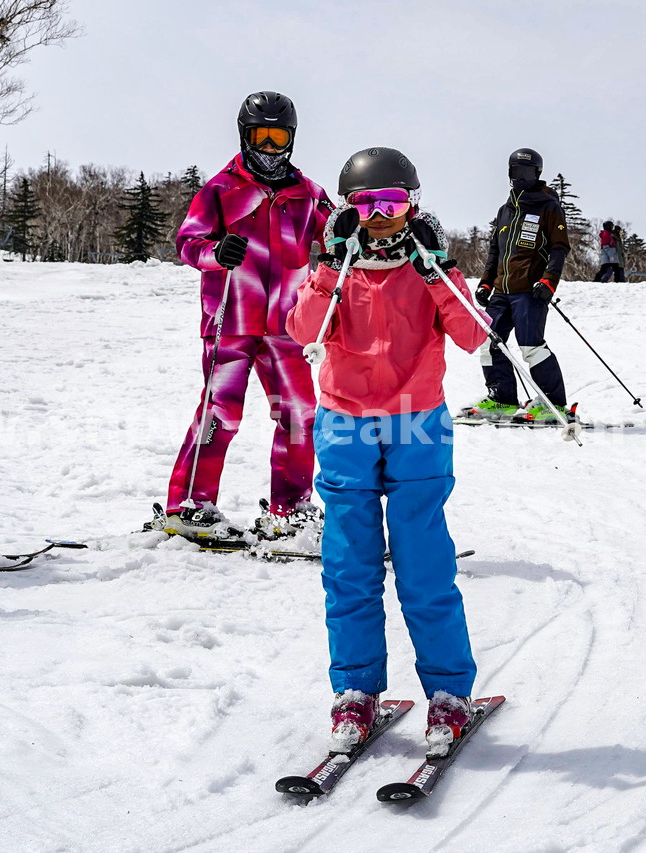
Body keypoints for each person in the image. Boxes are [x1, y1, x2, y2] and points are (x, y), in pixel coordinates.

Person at [286, 147, 488, 756]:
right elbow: (302, 332)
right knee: (349, 566)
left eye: (393, 202)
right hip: (345, 424)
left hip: (417, 423)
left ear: (412, 206)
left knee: (424, 563)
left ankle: (449, 694)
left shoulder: (429, 267)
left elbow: (474, 334)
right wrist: (327, 267)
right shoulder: (335, 269)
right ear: (348, 209)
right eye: (366, 204)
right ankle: (356, 690)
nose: (380, 216)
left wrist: (438, 272)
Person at [148, 91, 333, 540]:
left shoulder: (309, 195)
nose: (269, 147)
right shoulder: (221, 189)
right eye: (260, 136)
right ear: (244, 136)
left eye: (278, 136)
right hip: (229, 320)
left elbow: (339, 236)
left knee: (300, 413)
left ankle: (292, 510)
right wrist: (216, 252)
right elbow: (188, 244)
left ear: (291, 138)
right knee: (220, 413)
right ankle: (189, 504)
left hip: (287, 325)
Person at [461, 147, 572, 424]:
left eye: (525, 172)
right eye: (514, 172)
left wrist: (549, 281)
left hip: (530, 290)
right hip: (502, 291)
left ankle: (553, 403)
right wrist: (486, 283)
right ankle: (502, 399)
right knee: (489, 343)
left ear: (537, 174)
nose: (519, 178)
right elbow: (495, 252)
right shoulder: (505, 211)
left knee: (531, 346)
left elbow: (560, 248)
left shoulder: (548, 208)